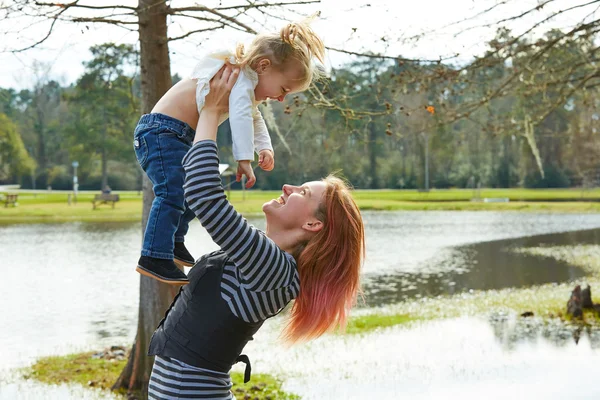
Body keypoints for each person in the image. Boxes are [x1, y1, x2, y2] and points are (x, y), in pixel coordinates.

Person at [146, 64, 365, 399]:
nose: (289, 187)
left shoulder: (273, 268)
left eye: (303, 193)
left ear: (313, 225)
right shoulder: (266, 258)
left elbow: (205, 196)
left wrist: (211, 111)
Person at [133, 17, 325, 284]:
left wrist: (264, 148)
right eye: (283, 89)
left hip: (176, 135)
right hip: (161, 132)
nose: (281, 98)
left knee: (187, 192)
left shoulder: (245, 85)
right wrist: (244, 159)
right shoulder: (239, 78)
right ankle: (153, 254)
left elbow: (254, 118)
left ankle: (173, 240)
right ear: (263, 65)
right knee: (173, 191)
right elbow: (242, 118)